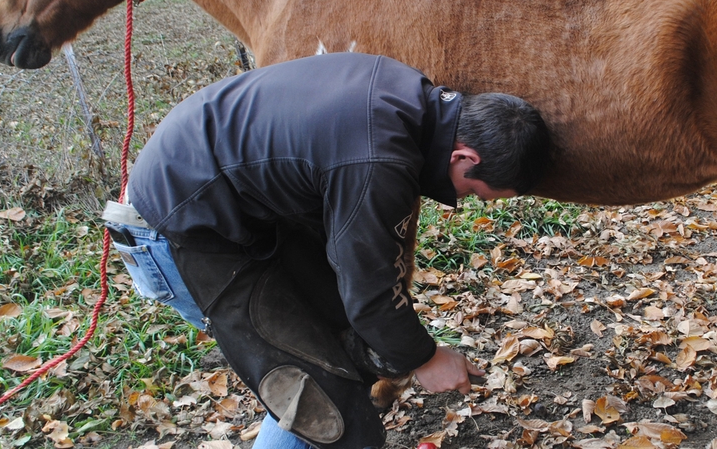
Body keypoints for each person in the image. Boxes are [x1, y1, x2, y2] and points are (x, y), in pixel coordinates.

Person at [101, 52, 552, 449]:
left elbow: (361, 273)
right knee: (322, 405)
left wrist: (405, 350)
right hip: (177, 228)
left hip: (228, 207)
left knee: (337, 357)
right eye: (475, 193)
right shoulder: (380, 160)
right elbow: (370, 291)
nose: (465, 201)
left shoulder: (407, 98)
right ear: (464, 157)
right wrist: (427, 359)